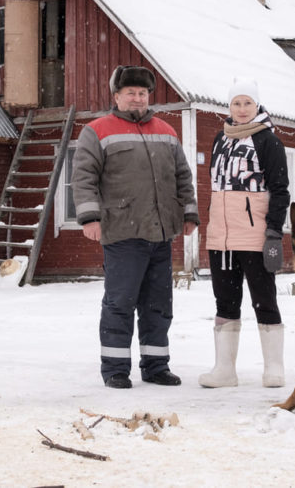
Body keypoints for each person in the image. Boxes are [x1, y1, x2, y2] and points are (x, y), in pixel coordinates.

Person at [72, 65, 200, 389]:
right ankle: (115, 369)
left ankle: (156, 366)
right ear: (116, 96)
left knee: (158, 305)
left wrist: (189, 214)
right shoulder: (97, 131)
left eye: (142, 93)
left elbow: (183, 178)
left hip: (160, 233)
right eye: (130, 92)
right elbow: (83, 178)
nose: (137, 98)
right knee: (120, 303)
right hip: (123, 233)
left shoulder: (167, 132)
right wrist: (89, 218)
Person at [199, 78, 289, 388]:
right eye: (236, 103)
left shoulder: (268, 141)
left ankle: (274, 367)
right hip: (220, 237)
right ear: (229, 106)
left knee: (264, 299)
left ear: (257, 105)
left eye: (247, 103)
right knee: (225, 302)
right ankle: (225, 370)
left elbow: (280, 190)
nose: (241, 109)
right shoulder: (219, 139)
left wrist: (274, 231)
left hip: (255, 235)